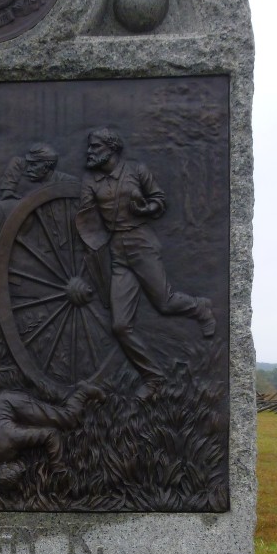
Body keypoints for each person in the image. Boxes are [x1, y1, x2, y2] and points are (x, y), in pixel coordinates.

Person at [76, 127, 215, 400]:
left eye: (95, 147)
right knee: (120, 325)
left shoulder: (137, 170)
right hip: (117, 250)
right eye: (89, 147)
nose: (89, 152)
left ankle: (200, 308)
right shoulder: (91, 181)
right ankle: (154, 378)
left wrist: (146, 209)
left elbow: (159, 200)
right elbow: (86, 217)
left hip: (141, 242)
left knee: (164, 302)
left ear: (111, 148)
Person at [0, 382, 104, 487]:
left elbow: (51, 434)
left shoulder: (13, 440)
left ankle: (83, 391)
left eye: (18, 469)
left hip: (7, 402)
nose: (22, 466)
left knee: (67, 421)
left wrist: (58, 468)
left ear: (6, 465)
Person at [0, 142, 74, 200]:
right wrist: (8, 190)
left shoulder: (67, 181)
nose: (28, 169)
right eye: (28, 164)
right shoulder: (30, 167)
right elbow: (17, 161)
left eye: (33, 165)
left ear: (46, 167)